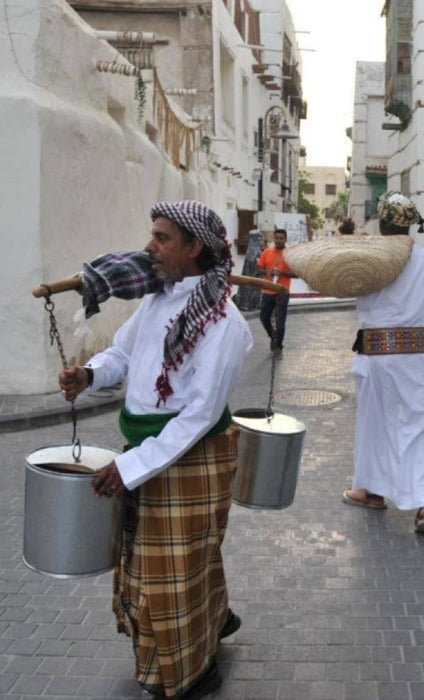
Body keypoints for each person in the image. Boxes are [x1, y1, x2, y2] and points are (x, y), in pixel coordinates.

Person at [58, 201, 254, 699]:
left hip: (193, 458)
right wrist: (91, 374)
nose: (150, 246)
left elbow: (199, 415)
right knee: (183, 559)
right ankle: (216, 622)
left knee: (171, 573)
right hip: (149, 452)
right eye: (153, 235)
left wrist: (130, 467)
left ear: (194, 247)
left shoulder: (223, 323)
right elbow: (123, 352)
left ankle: (192, 673)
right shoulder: (158, 300)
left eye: (162, 238)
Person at [341, 192, 424, 534]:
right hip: (418, 356)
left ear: (383, 224)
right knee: (418, 430)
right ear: (411, 227)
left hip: (375, 357)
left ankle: (372, 493)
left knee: (375, 426)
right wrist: (417, 344)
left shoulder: (368, 261)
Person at [257, 228, 295, 355]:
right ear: (274, 238)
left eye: (281, 238)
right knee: (264, 318)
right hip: (268, 291)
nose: (279, 241)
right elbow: (259, 268)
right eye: (277, 238)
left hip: (282, 292)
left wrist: (282, 273)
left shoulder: (290, 254)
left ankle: (278, 345)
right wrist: (267, 272)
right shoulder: (267, 252)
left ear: (285, 239)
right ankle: (273, 336)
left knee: (280, 322)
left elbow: (295, 274)